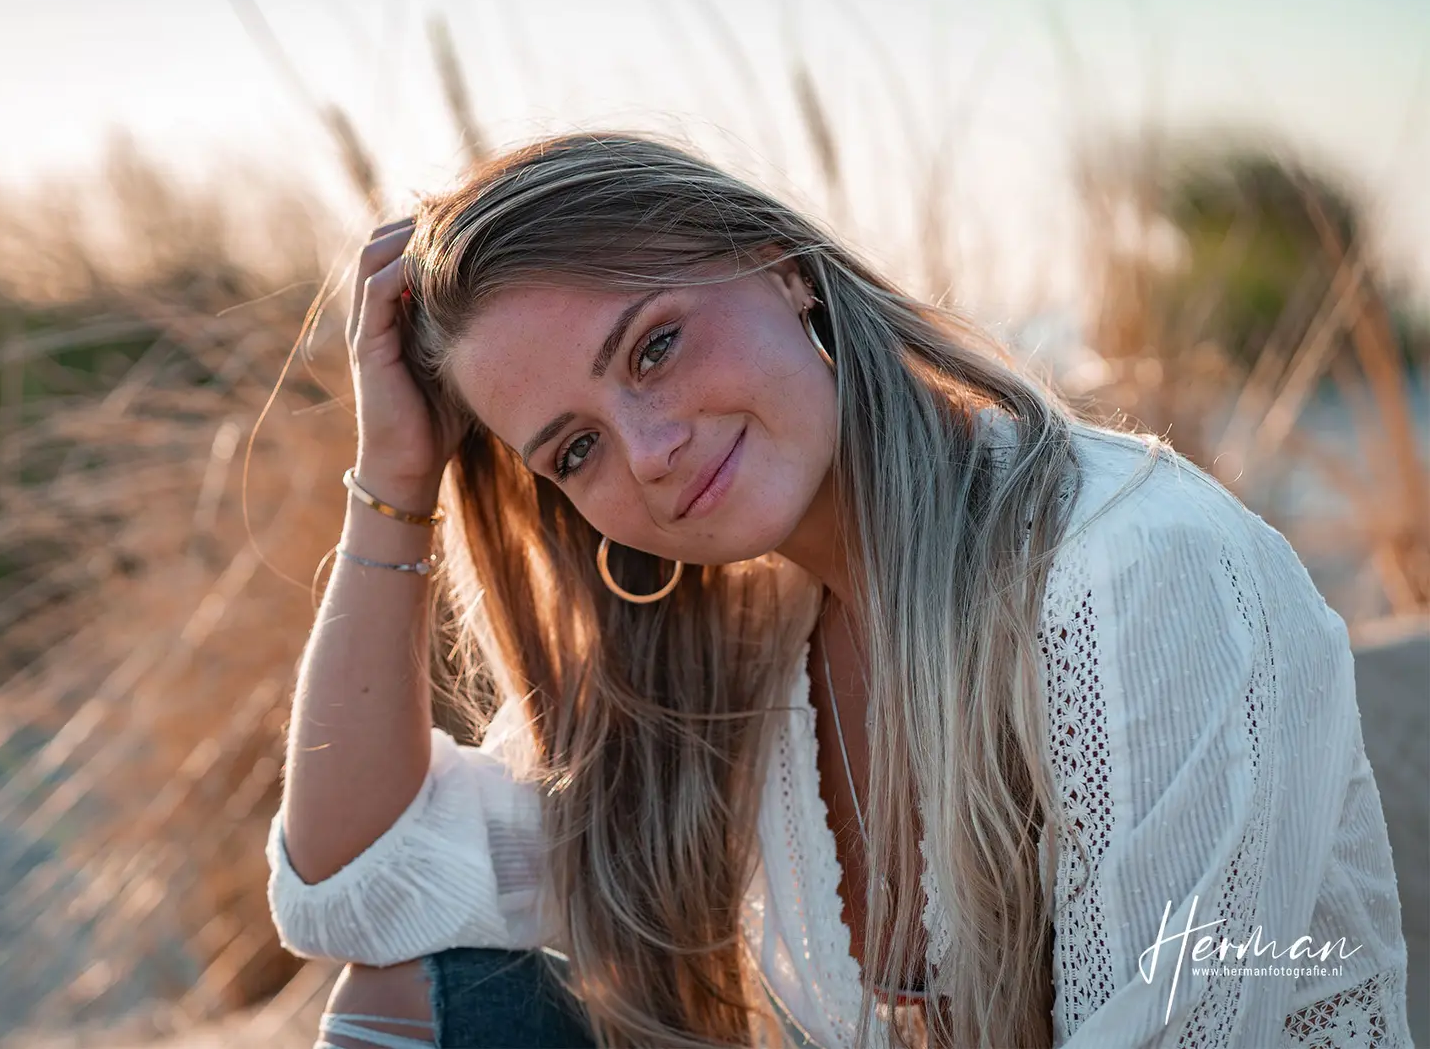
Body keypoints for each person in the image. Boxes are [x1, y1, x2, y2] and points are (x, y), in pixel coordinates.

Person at [264, 133, 1411, 1048]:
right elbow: (353, 894)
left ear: (785, 268)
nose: (649, 448)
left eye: (654, 347)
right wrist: (397, 476)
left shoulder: (1128, 570)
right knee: (420, 999)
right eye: (574, 451)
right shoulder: (733, 657)